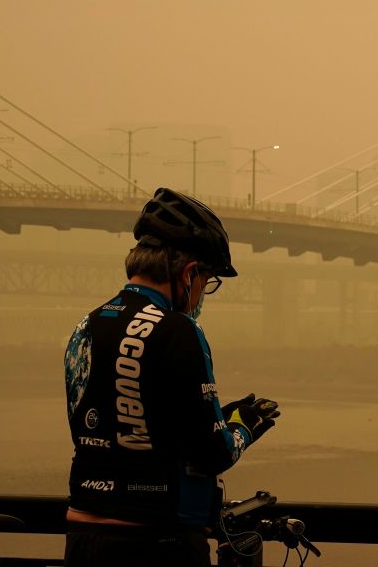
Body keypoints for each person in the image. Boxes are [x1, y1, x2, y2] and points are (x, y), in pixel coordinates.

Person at [62, 187, 280, 567]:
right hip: (157, 541)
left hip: (83, 534)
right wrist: (244, 427)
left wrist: (213, 418)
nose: (201, 295)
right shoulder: (177, 329)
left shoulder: (87, 325)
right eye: (207, 281)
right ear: (189, 272)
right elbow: (215, 453)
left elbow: (126, 426)